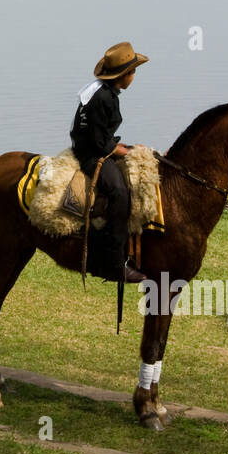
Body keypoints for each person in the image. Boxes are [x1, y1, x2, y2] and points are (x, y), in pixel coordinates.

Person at [70, 41, 150, 283]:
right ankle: (114, 262)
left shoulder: (104, 92)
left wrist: (124, 147)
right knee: (120, 193)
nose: (134, 76)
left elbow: (103, 134)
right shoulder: (103, 98)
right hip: (92, 155)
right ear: (123, 75)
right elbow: (98, 142)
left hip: (99, 147)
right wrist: (123, 151)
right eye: (133, 72)